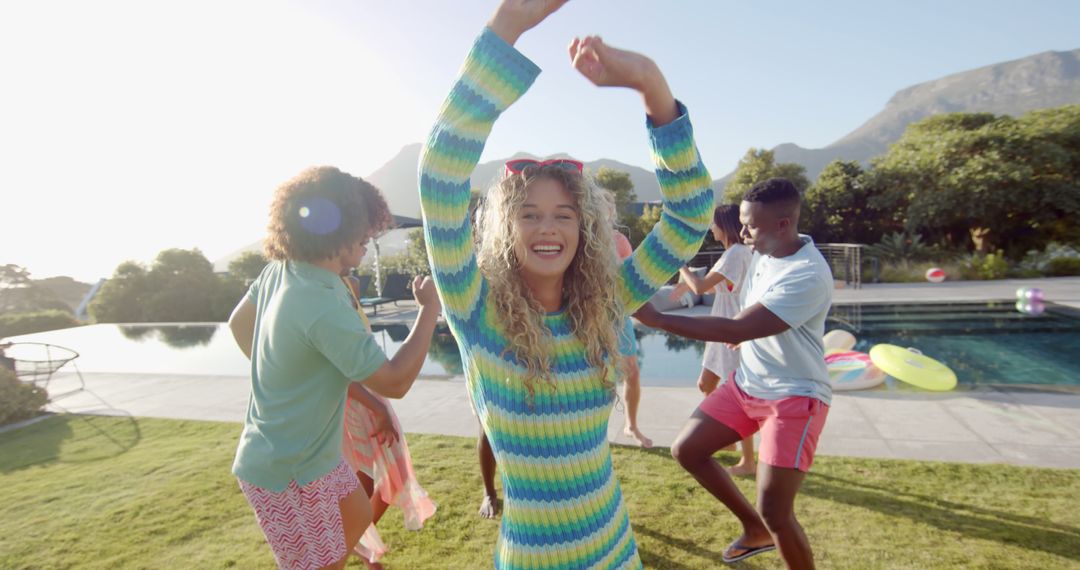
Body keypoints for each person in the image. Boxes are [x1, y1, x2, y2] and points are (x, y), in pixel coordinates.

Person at [418, 1, 712, 567]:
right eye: (528, 214)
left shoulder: (608, 301)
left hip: (615, 548)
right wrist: (507, 26)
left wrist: (650, 84)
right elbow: (439, 174)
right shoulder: (474, 307)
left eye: (563, 214)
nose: (547, 228)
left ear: (585, 226)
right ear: (506, 227)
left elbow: (690, 213)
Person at [227, 166, 441, 570]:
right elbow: (394, 382)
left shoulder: (282, 270)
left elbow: (239, 324)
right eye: (366, 227)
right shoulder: (322, 301)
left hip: (309, 459)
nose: (371, 236)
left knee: (358, 514)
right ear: (342, 227)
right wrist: (429, 310)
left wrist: (288, 372)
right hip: (289, 472)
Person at [634, 178, 833, 568]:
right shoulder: (764, 251)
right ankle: (753, 530)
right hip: (749, 384)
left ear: (783, 224)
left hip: (794, 396)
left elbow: (737, 327)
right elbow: (744, 318)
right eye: (742, 223)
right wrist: (744, 335)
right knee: (688, 450)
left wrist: (657, 319)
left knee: (777, 511)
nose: (742, 233)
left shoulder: (807, 274)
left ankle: (765, 527)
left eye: (750, 226)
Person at [341, 275, 437, 568]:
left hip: (370, 393)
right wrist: (376, 408)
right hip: (357, 399)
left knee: (391, 477)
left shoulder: (346, 286)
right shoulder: (327, 293)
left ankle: (358, 545)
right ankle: (352, 547)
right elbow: (339, 370)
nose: (365, 244)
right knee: (367, 484)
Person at [669, 205, 755, 475]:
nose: (711, 229)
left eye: (714, 224)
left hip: (730, 327)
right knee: (706, 383)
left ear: (725, 226)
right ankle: (727, 440)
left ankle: (748, 462)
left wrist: (678, 265)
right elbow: (714, 284)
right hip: (721, 328)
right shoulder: (734, 254)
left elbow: (700, 287)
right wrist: (686, 282)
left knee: (737, 395)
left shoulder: (737, 253)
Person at [613, 229, 650, 447]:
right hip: (585, 313)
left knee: (632, 372)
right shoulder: (577, 235)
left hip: (619, 314)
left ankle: (631, 425)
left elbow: (630, 281)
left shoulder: (619, 240)